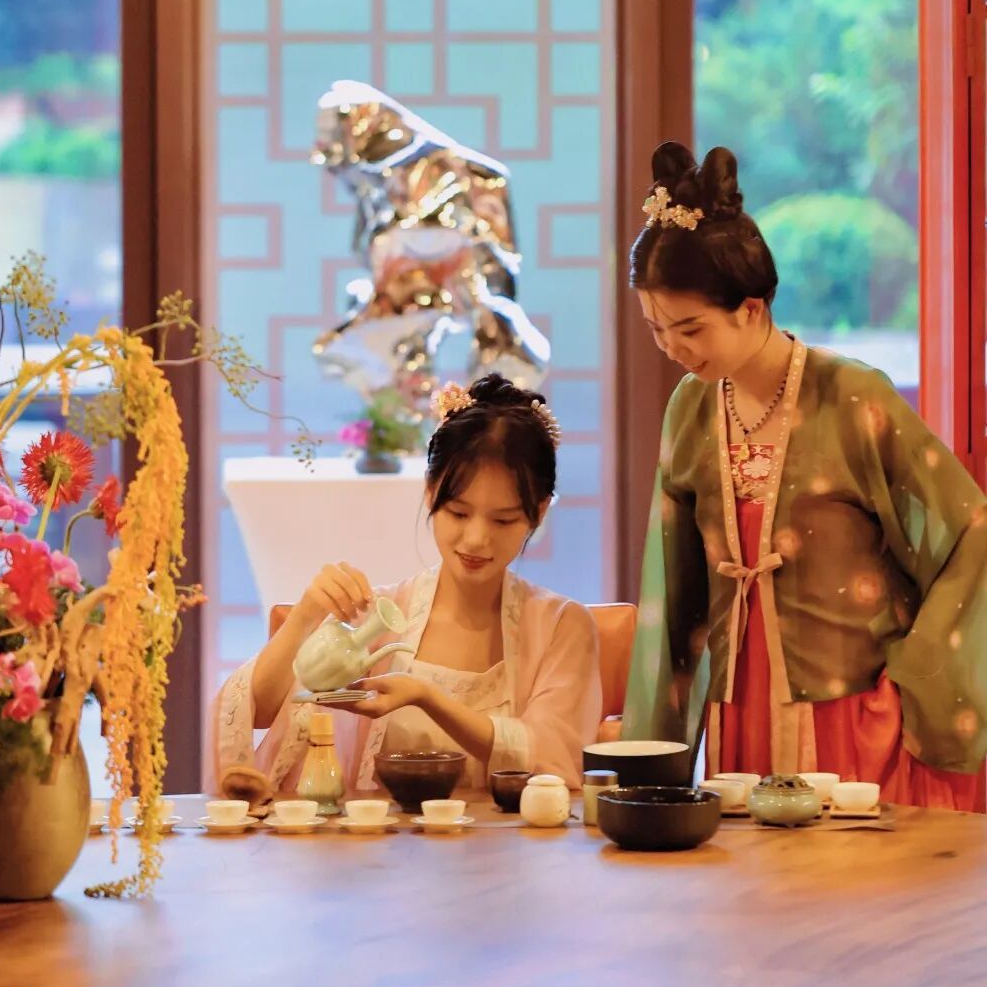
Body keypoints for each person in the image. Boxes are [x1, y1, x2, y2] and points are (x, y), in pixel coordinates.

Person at [621, 142, 987, 808]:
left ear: (751, 309)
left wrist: (919, 678)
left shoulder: (852, 396)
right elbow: (674, 590)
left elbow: (969, 531)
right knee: (749, 870)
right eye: (656, 329)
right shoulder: (690, 408)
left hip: (853, 714)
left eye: (690, 329)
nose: (672, 349)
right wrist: (654, 753)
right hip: (739, 714)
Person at [209, 374, 601, 793]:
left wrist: (427, 697)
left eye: (503, 520)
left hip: (511, 836)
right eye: (458, 513)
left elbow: (551, 757)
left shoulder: (561, 626)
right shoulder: (379, 618)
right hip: (379, 833)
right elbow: (256, 711)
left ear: (539, 512)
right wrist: (305, 615)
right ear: (430, 492)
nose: (476, 539)